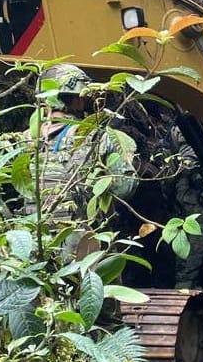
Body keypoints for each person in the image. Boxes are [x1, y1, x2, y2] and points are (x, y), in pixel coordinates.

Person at [28, 64, 137, 256]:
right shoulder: (97, 137)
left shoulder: (26, 140)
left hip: (36, 245)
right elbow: (124, 188)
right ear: (78, 98)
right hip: (84, 248)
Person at [167, 126, 203, 289]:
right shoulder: (186, 123)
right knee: (201, 235)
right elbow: (188, 159)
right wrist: (198, 174)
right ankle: (185, 284)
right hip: (192, 189)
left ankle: (189, 282)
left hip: (194, 188)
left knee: (197, 236)